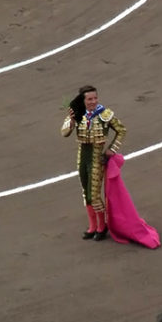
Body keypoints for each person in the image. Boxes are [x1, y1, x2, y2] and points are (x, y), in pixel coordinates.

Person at [60, 85, 126, 241]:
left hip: (96, 157)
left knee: (94, 194)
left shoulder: (104, 114)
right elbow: (64, 133)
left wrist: (112, 149)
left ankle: (102, 227)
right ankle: (92, 226)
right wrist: (71, 119)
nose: (93, 101)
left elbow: (122, 130)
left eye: (95, 98)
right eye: (89, 99)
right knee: (86, 193)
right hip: (82, 156)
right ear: (83, 100)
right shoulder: (77, 113)